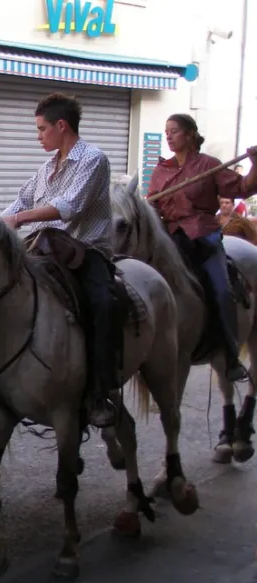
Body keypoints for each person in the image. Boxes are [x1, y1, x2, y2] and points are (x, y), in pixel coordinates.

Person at [0, 93, 115, 427]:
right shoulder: (46, 168)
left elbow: (68, 207)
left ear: (60, 126)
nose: (38, 136)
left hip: (86, 251)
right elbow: (17, 203)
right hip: (42, 250)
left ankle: (99, 391)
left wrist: (19, 220)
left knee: (103, 305)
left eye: (41, 129)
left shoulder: (94, 159)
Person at [147, 113, 257, 382]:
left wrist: (255, 163)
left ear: (190, 135)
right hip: (171, 239)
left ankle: (231, 355)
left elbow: (243, 188)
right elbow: (152, 206)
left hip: (204, 240)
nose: (168, 136)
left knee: (221, 290)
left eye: (174, 131)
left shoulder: (210, 165)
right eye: (166, 131)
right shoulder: (162, 170)